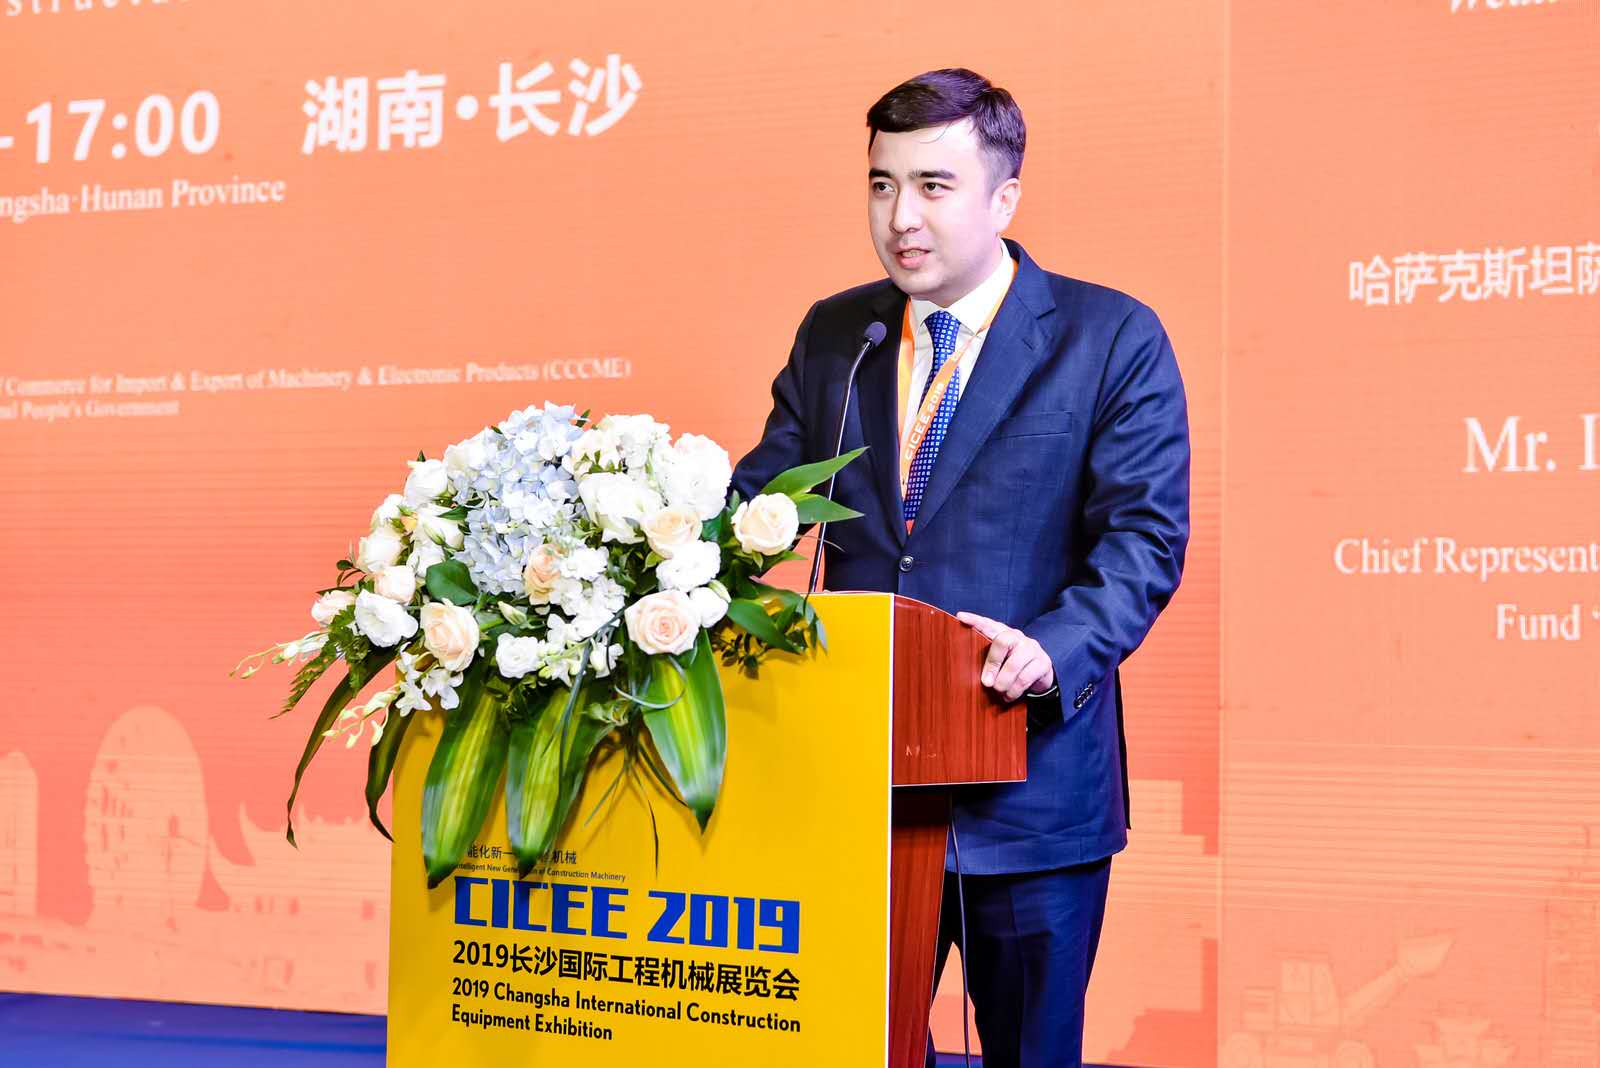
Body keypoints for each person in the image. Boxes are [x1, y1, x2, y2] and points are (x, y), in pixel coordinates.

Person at [729, 68, 1190, 1067]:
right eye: (881, 185)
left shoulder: (1107, 337)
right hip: (860, 785)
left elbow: (1143, 539)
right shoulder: (837, 334)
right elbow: (758, 508)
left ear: (1004, 198)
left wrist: (1052, 649)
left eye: (933, 186)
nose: (901, 217)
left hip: (1026, 782)